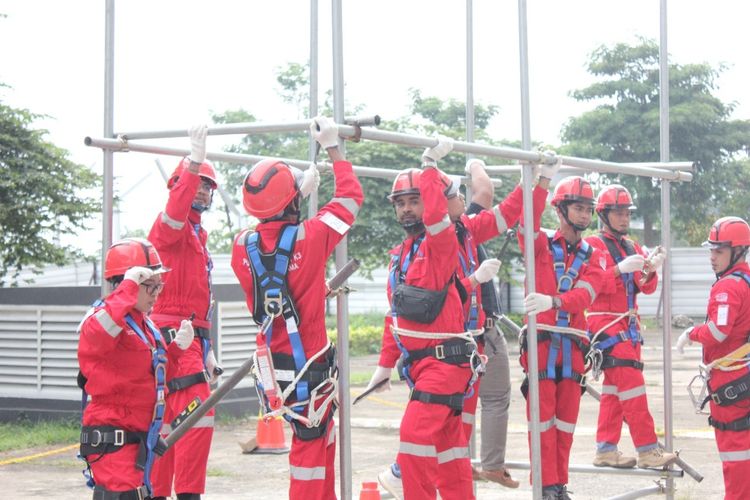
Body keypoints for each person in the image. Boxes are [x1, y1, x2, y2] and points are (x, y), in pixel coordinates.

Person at [231, 116, 363, 500]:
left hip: (274, 368)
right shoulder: (313, 234)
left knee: (318, 440)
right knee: (310, 448)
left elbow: (275, 263)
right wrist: (334, 148)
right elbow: (351, 198)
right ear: (291, 200)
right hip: (311, 367)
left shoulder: (241, 246)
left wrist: (295, 197)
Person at [365, 137, 481, 499]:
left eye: (413, 200)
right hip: (422, 368)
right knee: (449, 457)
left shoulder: (441, 244)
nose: (407, 210)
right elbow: (395, 316)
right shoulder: (399, 256)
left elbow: (436, 217)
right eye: (400, 203)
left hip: (444, 365)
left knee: (414, 443)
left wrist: (430, 167)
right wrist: (384, 366)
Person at [77, 238, 187, 499]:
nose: (157, 294)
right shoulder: (102, 317)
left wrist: (177, 351)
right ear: (126, 282)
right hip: (114, 442)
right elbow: (95, 337)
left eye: (159, 286)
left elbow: (155, 381)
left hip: (141, 442)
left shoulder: (147, 327)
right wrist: (127, 288)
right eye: (149, 286)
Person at [520, 172, 606, 500]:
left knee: (566, 423)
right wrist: (541, 183)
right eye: (578, 207)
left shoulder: (593, 254)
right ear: (560, 210)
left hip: (572, 344)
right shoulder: (541, 244)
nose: (585, 214)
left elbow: (585, 296)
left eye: (588, 208)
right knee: (541, 422)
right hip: (542, 342)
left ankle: (558, 486)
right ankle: (544, 486)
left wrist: (554, 301)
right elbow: (526, 223)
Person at [148, 125, 221, 500]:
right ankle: (178, 493)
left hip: (190, 336)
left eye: (209, 185)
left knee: (174, 418)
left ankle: (167, 493)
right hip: (168, 333)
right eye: (198, 184)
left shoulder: (198, 236)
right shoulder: (168, 228)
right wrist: (194, 162)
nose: (204, 190)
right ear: (180, 185)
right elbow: (175, 211)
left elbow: (199, 300)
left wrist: (206, 346)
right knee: (193, 412)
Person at [584, 184, 676, 469]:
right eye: (619, 213)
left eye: (627, 213)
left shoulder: (630, 246)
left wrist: (651, 269)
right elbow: (593, 284)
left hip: (627, 324)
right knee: (633, 387)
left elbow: (643, 287)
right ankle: (648, 450)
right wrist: (617, 270)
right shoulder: (594, 246)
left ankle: (606, 449)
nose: (624, 218)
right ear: (604, 214)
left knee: (614, 390)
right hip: (606, 324)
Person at [676, 216, 750, 500]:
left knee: (735, 451)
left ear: (738, 251)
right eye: (711, 250)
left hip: (731, 380)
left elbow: (718, 332)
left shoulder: (728, 286)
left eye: (719, 251)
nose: (712, 257)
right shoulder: (746, 280)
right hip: (742, 374)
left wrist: (691, 333)